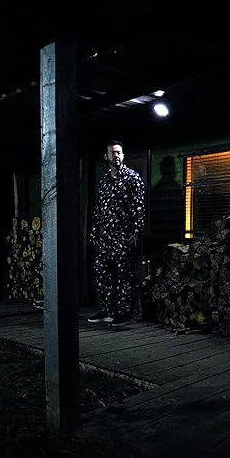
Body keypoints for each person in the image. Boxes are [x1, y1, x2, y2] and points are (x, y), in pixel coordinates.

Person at [87, 139, 145, 326]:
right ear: (106, 156)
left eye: (119, 152)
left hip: (123, 236)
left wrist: (135, 233)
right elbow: (99, 209)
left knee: (123, 275)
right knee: (102, 273)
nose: (116, 155)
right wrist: (95, 233)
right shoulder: (104, 181)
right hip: (105, 237)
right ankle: (107, 310)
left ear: (123, 155)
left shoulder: (132, 178)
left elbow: (139, 207)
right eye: (113, 152)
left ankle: (123, 313)